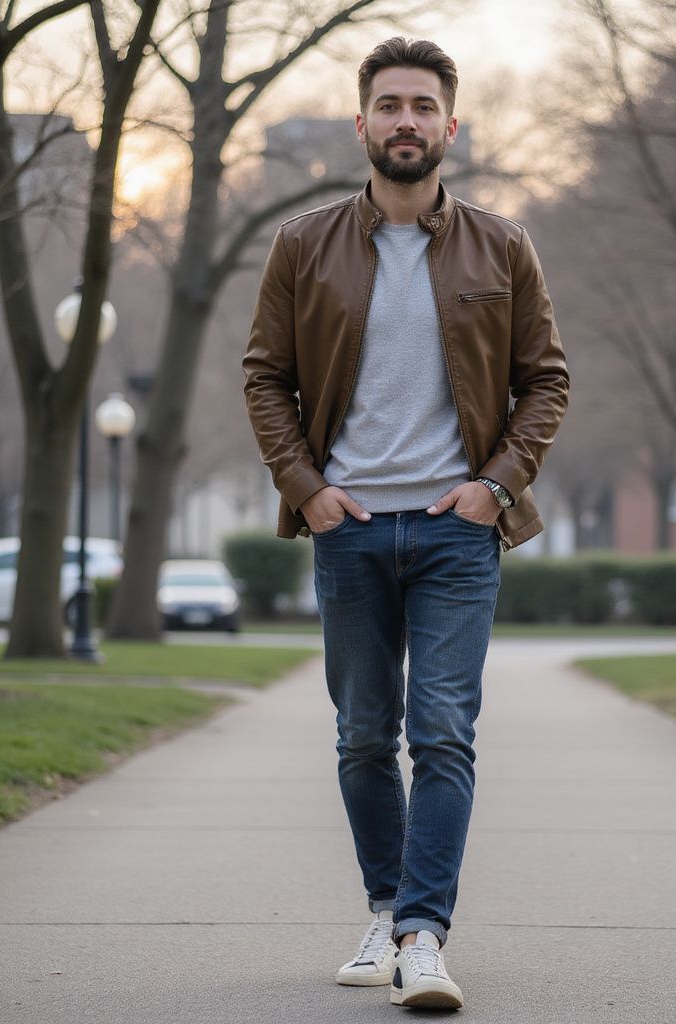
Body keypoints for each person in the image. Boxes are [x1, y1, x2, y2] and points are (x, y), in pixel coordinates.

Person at [243, 36, 568, 1010]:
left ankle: (423, 934)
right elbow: (265, 374)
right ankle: (386, 908)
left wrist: (495, 485)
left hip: (453, 531)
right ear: (361, 125)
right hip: (346, 526)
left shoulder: (501, 245)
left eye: (423, 106)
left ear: (449, 126)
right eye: (388, 105)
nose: (405, 122)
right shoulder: (303, 243)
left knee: (442, 735)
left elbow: (544, 378)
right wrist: (306, 489)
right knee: (360, 737)